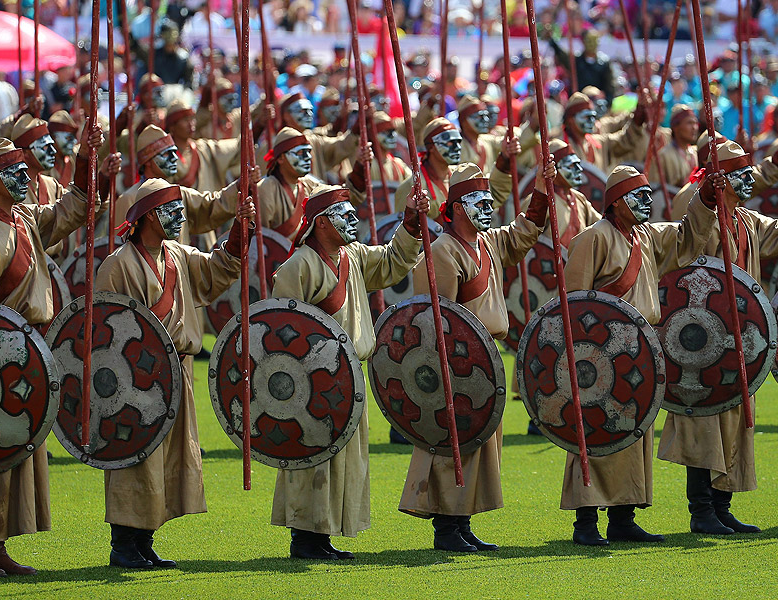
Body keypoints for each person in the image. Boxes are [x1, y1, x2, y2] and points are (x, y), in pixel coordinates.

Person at [0, 131, 119, 576]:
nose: (26, 177)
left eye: (25, 170)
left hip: (29, 353)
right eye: (14, 172)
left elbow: (72, 210)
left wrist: (86, 159)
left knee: (14, 453)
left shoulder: (23, 220)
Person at [658, 141, 778, 535]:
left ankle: (722, 506)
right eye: (741, 174)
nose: (750, 180)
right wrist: (707, 198)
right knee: (702, 422)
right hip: (697, 337)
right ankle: (701, 511)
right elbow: (686, 241)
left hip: (738, 338)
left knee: (733, 419)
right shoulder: (692, 205)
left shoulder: (746, 220)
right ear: (717, 178)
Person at [399, 158, 555, 551]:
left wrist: (541, 188)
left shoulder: (488, 242)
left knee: (479, 445)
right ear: (456, 208)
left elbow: (523, 233)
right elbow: (436, 321)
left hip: (486, 360)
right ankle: (447, 529)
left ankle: (462, 521)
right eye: (477, 201)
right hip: (455, 362)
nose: (487, 207)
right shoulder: (442, 252)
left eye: (489, 200)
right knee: (454, 442)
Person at [562, 164, 722, 546]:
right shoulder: (593, 238)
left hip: (641, 349)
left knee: (633, 433)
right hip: (600, 353)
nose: (647, 202)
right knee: (595, 431)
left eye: (649, 194)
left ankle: (623, 516)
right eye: (638, 195)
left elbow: (688, 234)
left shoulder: (645, 236)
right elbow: (573, 303)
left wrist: (708, 198)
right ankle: (585, 522)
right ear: (616, 202)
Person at [97, 179, 252, 568]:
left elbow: (218, 270)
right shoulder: (118, 265)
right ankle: (123, 544)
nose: (181, 217)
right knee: (134, 455)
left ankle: (145, 540)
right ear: (148, 215)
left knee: (166, 459)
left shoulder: (178, 255)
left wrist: (239, 231)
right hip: (135, 380)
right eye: (171, 210)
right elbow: (105, 333)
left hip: (176, 370)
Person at [270, 182, 430, 559]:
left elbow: (393, 261)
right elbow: (280, 332)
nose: (354, 219)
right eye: (345, 214)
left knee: (344, 459)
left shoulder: (353, 256)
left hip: (349, 375)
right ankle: (305, 537)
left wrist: (410, 220)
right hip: (310, 383)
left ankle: (323, 533)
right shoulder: (297, 266)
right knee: (312, 454)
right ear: (322, 223)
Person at [112, 124, 241, 244]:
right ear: (148, 161)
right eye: (167, 153)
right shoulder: (129, 199)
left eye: (174, 152)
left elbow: (211, 206)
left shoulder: (180, 193)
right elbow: (120, 249)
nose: (174, 158)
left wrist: (240, 186)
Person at [394, 118, 513, 218]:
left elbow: (492, 196)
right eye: (450, 142)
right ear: (431, 147)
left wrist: (505, 159)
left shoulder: (462, 176)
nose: (457, 147)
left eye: (458, 142)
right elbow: (405, 230)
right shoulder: (411, 188)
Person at [560, 91, 645, 174]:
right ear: (570, 120)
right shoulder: (560, 145)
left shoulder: (600, 142)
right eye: (586, 117)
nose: (591, 121)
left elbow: (624, 140)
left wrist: (637, 121)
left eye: (593, 117)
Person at [550, 30, 614, 102]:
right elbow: (563, 57)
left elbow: (609, 87)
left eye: (594, 41)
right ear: (583, 42)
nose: (591, 44)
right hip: (579, 100)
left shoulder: (604, 63)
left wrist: (607, 102)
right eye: (589, 41)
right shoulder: (576, 61)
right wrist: (552, 42)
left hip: (597, 102)